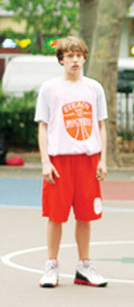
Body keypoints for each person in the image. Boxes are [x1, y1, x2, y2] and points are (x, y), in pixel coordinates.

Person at [36, 35, 108, 288]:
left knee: (85, 215)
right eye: (69, 56)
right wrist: (45, 161)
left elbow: (100, 125)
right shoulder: (50, 89)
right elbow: (43, 127)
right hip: (60, 160)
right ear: (61, 60)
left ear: (84, 57)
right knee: (56, 216)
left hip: (87, 160)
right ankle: (51, 265)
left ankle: (84, 266)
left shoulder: (94, 88)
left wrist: (102, 159)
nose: (75, 60)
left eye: (79, 55)